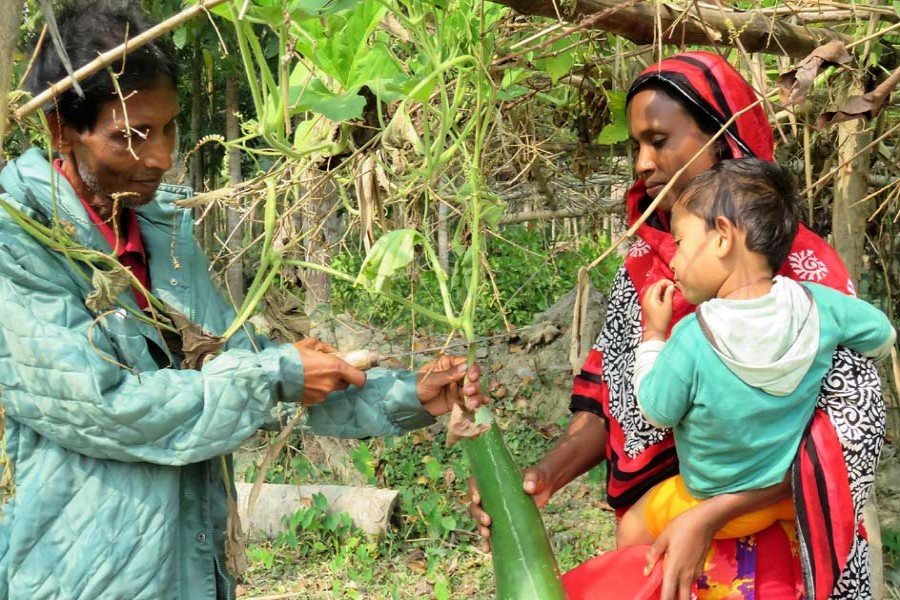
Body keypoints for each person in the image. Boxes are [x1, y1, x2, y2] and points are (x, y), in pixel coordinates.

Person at [0, 6, 484, 599]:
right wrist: (273, 374)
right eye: (130, 136)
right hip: (83, 577)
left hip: (194, 569)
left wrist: (409, 396)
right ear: (60, 131)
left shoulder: (162, 234)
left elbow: (243, 371)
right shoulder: (16, 243)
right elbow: (106, 408)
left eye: (170, 128)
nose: (160, 157)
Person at [469, 51, 886, 600]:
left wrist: (709, 516)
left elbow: (848, 439)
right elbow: (615, 403)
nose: (641, 162)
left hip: (790, 551)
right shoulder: (647, 270)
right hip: (673, 538)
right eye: (635, 146)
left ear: (722, 139)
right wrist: (545, 475)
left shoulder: (808, 273)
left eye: (658, 140)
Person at [617, 158, 895, 548]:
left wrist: (654, 333)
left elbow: (655, 410)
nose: (675, 259)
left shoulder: (694, 336)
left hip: (704, 498)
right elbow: (882, 334)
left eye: (680, 242)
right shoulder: (821, 306)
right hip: (786, 499)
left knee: (630, 527)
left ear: (722, 238)